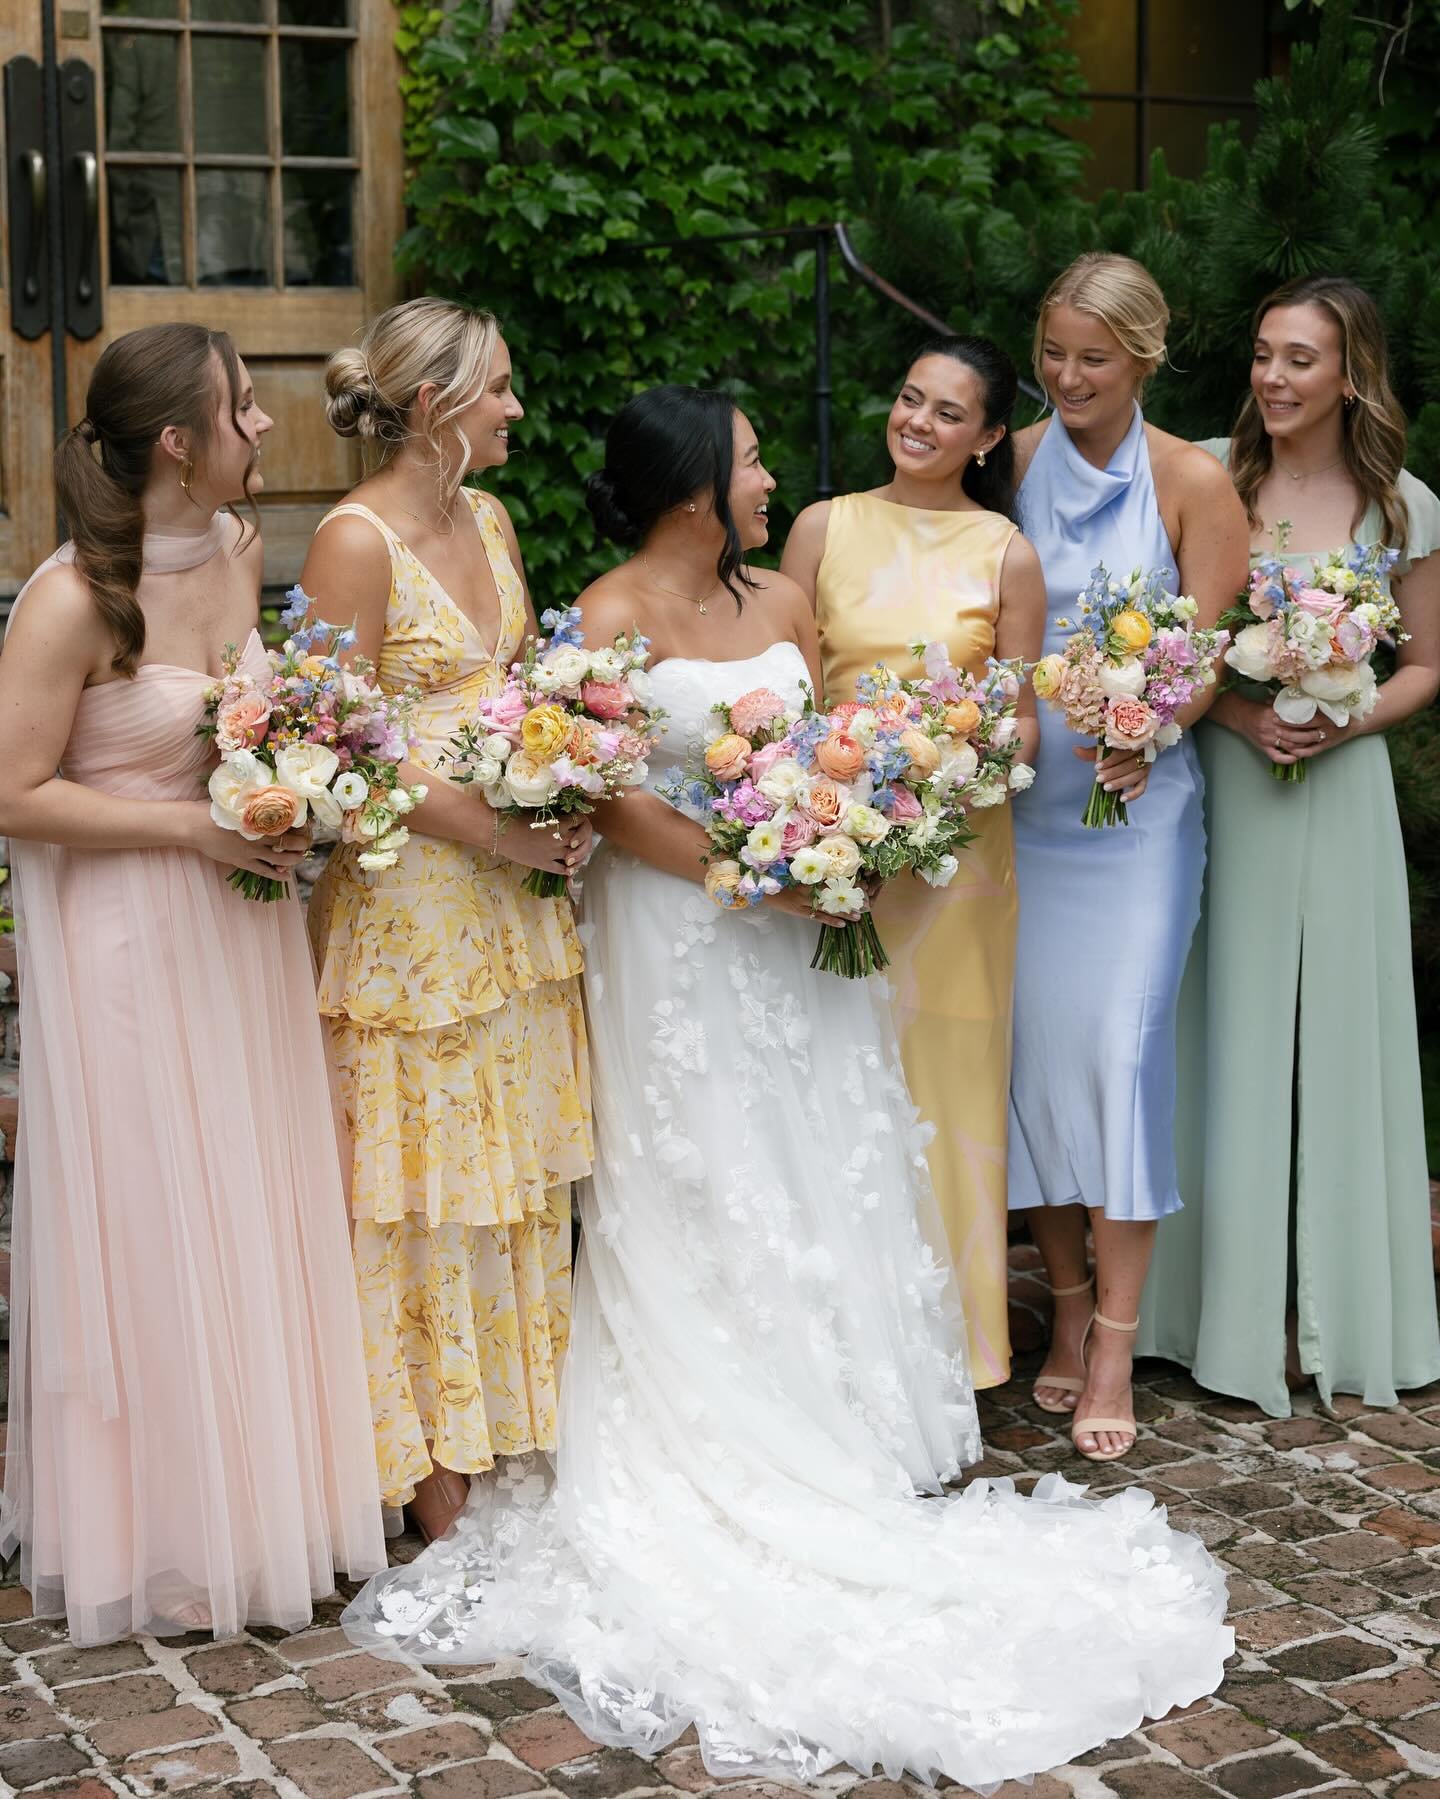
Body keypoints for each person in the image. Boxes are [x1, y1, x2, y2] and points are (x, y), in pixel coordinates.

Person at [338, 383, 1232, 1792]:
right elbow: (601, 788)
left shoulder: (782, 606)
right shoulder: (610, 611)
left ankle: (837, 1405)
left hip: (807, 943)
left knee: (819, 1149)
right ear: (696, 486)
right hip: (682, 943)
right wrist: (742, 870)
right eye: (751, 460)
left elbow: (820, 747)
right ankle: (716, 1410)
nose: (771, 480)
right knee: (700, 1170)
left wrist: (846, 838)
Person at [0, 322, 385, 1644]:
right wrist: (192, 827)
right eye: (242, 411)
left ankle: (269, 1502)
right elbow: (13, 791)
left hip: (239, 923)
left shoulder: (234, 549)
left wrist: (292, 795)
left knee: (247, 1190)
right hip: (127, 933)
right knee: (154, 1216)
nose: (265, 428)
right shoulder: (68, 599)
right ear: (179, 441)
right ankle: (162, 1530)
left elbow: (248, 718)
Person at [301, 297, 592, 1545]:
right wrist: (497, 828)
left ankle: (503, 1424)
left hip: (512, 903)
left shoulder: (492, 514)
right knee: (421, 1181)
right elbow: (337, 748)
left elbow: (514, 687)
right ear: (434, 408)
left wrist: (567, 764)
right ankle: (423, 1463)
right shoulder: (350, 541)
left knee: (507, 1169)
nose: (518, 409)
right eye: (500, 390)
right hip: (413, 911)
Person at [1139, 275, 1440, 1414]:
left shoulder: (1403, 504)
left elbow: (1424, 664)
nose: (1272, 376)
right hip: (1230, 776)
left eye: (1299, 359)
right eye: (1264, 353)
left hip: (1343, 780)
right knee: (1226, 1023)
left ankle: (1349, 1313)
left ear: (1350, 373)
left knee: (1349, 1032)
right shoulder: (1219, 483)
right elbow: (1174, 649)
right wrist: (1235, 712)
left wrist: (1344, 715)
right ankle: (1210, 1315)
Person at [1007, 254, 1250, 1461]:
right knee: (1035, 1058)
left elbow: (1204, 652)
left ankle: (1116, 1336)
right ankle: (1060, 1298)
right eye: (1052, 352)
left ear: (1146, 360)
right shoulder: (1008, 459)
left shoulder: (1193, 480)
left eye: (1092, 359)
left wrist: (1153, 724)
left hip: (1137, 816)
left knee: (1122, 1050)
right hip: (1026, 812)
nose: (1067, 377)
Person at [782, 335, 1044, 1389]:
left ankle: (956, 1351)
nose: (917, 421)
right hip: (839, 842)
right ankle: (837, 1340)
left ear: (985, 437)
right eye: (907, 397)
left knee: (946, 1086)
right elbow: (788, 691)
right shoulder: (822, 527)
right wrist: (832, 809)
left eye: (947, 411)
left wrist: (946, 783)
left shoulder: (1004, 551)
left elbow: (1021, 719)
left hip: (957, 860)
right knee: (831, 1075)